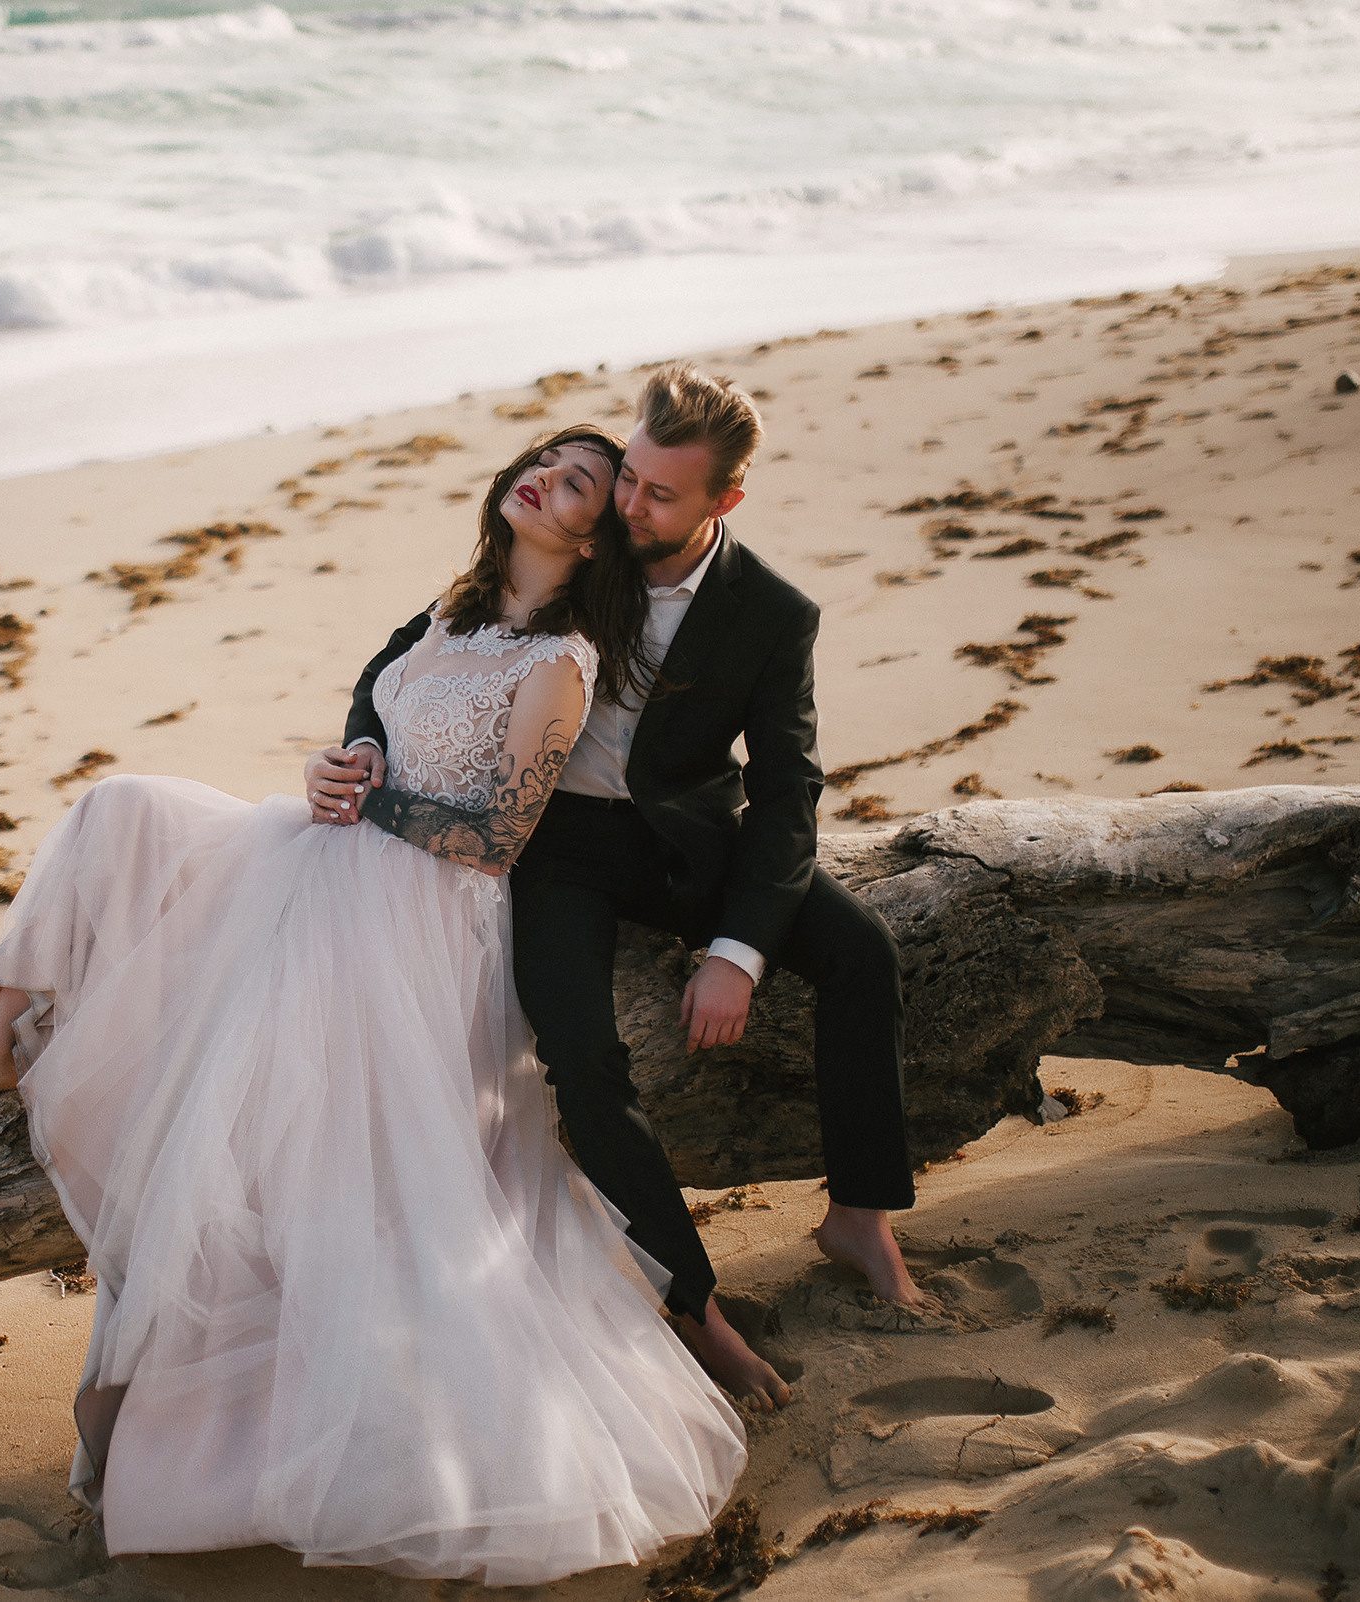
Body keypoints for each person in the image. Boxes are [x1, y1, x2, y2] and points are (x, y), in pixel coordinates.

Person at [0, 427, 747, 1584]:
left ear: (595, 539)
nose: (543, 477)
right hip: (329, 854)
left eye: (578, 482)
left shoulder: (562, 661)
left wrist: (369, 805)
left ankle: (214, 1435)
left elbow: (494, 839)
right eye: (542, 460)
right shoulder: (449, 617)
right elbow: (374, 736)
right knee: (119, 811)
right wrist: (333, 768)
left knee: (272, 1132)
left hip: (420, 918)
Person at [308, 365, 923, 1412]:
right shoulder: (568, 544)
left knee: (863, 952)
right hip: (557, 847)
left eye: (660, 495)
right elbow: (402, 660)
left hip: (691, 840)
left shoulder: (773, 614)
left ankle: (861, 1216)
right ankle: (695, 1304)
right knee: (582, 1058)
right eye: (627, 477)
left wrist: (736, 954)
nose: (630, 506)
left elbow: (788, 792)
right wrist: (361, 744)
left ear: (725, 501)